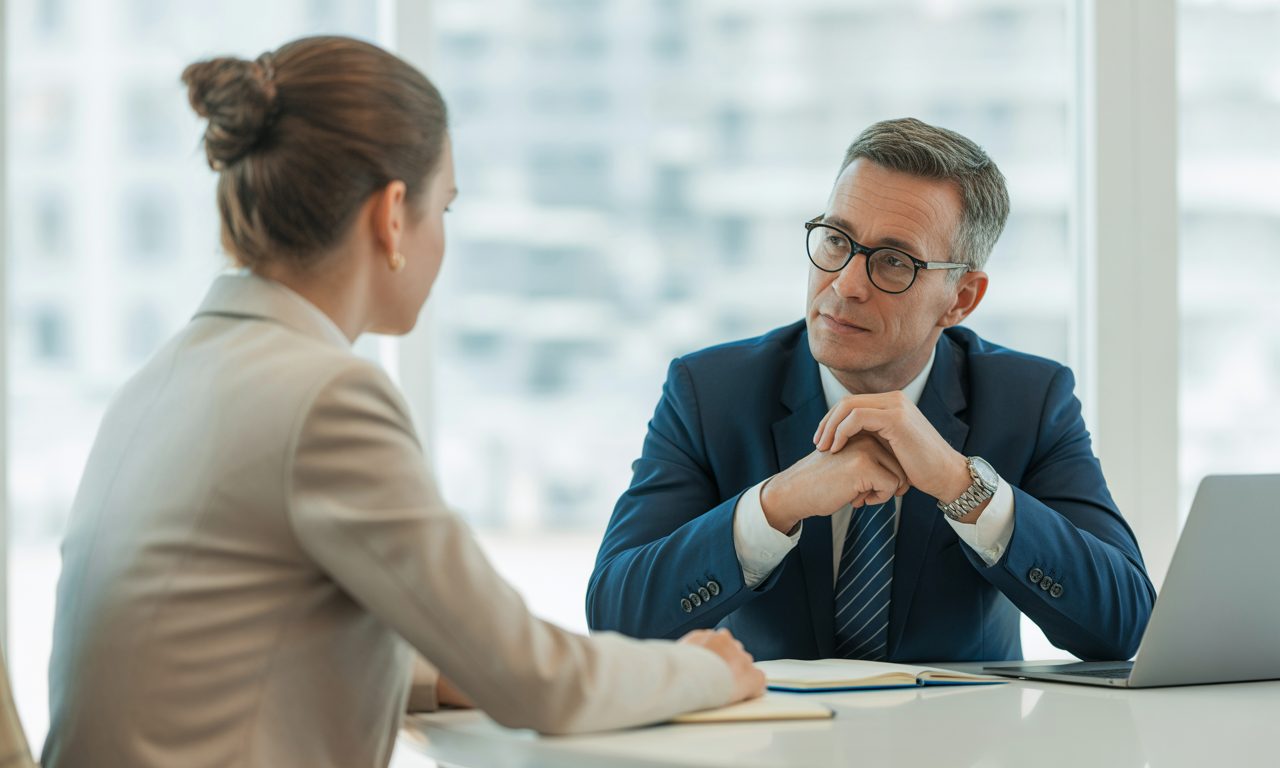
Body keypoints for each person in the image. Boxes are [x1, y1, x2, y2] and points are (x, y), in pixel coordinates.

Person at [41, 36, 763, 768]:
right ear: (392, 216)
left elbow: (234, 639)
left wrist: (432, 671)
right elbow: (536, 681)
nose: (441, 238)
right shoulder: (323, 396)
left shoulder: (163, 379)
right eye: (443, 207)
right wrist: (707, 671)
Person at [587, 118, 1155, 664]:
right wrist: (776, 504)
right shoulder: (709, 392)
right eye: (836, 240)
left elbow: (1124, 624)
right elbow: (617, 618)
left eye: (892, 261)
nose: (845, 284)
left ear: (961, 299)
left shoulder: (1029, 400)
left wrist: (963, 486)